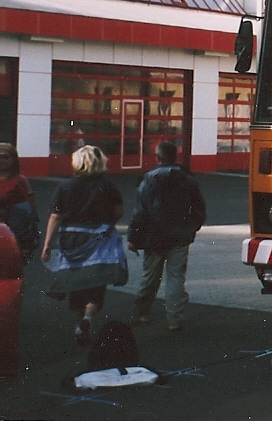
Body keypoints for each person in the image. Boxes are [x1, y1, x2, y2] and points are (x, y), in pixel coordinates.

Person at [41, 146, 126, 345]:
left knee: (75, 282)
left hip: (72, 239)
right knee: (97, 281)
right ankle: (88, 317)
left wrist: (47, 244)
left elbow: (56, 216)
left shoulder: (65, 186)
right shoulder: (108, 186)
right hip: (100, 238)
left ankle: (80, 323)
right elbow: (118, 211)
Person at [127, 141, 206, 332]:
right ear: (175, 156)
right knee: (176, 278)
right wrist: (192, 227)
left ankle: (142, 312)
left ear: (157, 157)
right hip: (180, 236)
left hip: (154, 237)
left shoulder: (148, 180)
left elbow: (140, 213)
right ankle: (174, 319)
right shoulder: (188, 179)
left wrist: (134, 238)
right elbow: (199, 209)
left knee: (150, 277)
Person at [0, 143, 40, 263]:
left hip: (14, 230)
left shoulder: (21, 180)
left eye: (5, 157)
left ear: (13, 160)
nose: (2, 160)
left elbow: (31, 207)